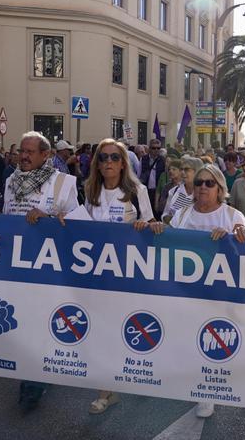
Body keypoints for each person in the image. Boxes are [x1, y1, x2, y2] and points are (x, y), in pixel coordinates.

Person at [0, 131, 79, 411]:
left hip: (49, 270)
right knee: (23, 326)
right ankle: (34, 374)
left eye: (30, 152)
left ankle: (33, 385)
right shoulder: (12, 180)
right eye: (21, 151)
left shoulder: (64, 183)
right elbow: (9, 214)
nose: (23, 156)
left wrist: (50, 220)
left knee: (40, 326)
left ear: (46, 155)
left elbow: (76, 225)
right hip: (17, 269)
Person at [149, 164, 245, 420]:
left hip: (218, 293)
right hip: (185, 290)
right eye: (200, 182)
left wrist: (230, 240)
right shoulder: (181, 214)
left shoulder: (233, 216)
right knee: (185, 338)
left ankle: (207, 393)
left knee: (209, 341)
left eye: (209, 183)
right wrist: (158, 231)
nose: (203, 187)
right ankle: (186, 382)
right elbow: (167, 245)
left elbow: (244, 257)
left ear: (220, 189)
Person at [77, 138, 155, 414]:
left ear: (123, 163)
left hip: (127, 273)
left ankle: (138, 374)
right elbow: (83, 227)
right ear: (96, 163)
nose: (108, 162)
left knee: (128, 328)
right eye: (102, 158)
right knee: (102, 331)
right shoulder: (90, 190)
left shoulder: (137, 190)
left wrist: (144, 226)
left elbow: (151, 225)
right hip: (97, 273)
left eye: (113, 158)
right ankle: (105, 391)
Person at [162, 156, 203, 222]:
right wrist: (168, 219)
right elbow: (165, 214)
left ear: (197, 171)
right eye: (181, 169)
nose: (182, 172)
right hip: (175, 231)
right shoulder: (174, 191)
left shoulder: (204, 193)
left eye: (186, 169)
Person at [139, 138, 166, 208]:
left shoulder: (162, 160)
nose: (156, 150)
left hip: (157, 191)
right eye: (154, 148)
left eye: (158, 148)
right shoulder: (144, 159)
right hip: (146, 190)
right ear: (149, 149)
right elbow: (139, 173)